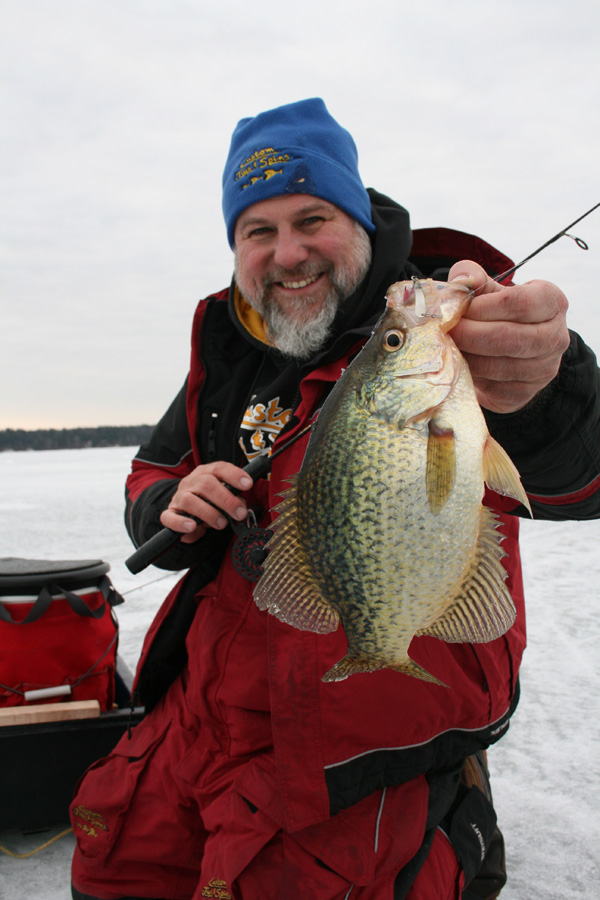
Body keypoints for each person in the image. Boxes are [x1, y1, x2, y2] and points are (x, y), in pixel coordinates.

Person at [70, 98, 600, 900]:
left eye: (311, 217)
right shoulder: (228, 345)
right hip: (196, 718)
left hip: (363, 746)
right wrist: (170, 505)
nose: (287, 252)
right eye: (258, 229)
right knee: (111, 873)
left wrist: (544, 390)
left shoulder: (450, 333)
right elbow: (150, 469)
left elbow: (582, 474)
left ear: (358, 217)